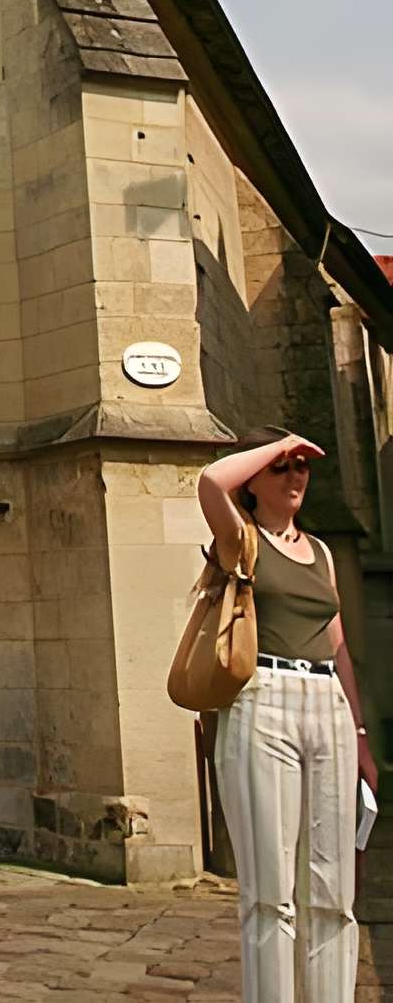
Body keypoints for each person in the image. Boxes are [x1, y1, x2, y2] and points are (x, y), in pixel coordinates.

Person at [198, 429, 377, 1002]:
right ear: (254, 480)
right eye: (283, 467)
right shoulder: (240, 537)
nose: (297, 476)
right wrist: (275, 446)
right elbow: (209, 481)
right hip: (262, 698)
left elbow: (338, 643)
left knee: (333, 892)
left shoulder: (321, 552)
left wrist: (361, 736)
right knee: (270, 893)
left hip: (326, 702)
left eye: (302, 466)